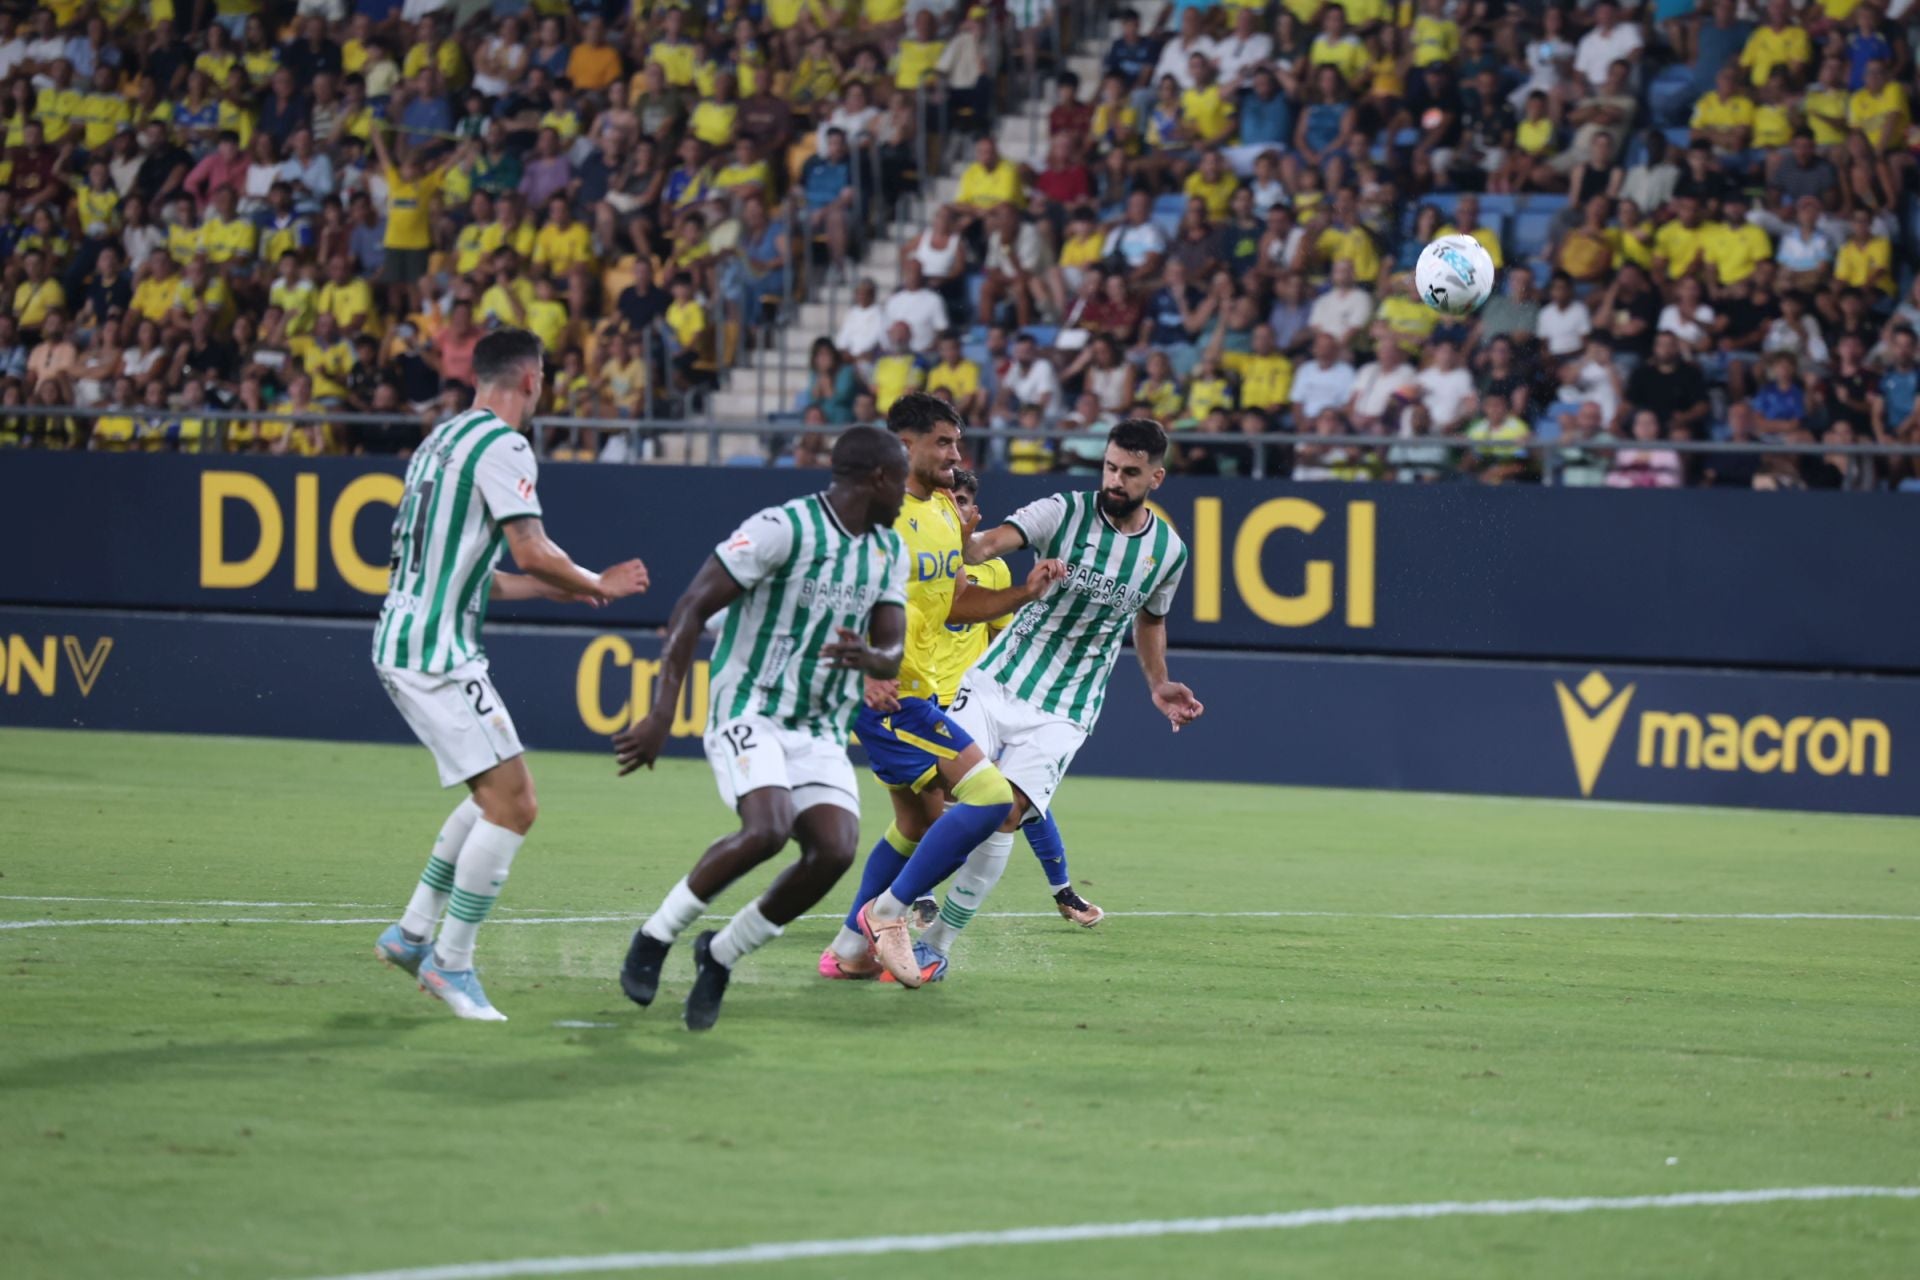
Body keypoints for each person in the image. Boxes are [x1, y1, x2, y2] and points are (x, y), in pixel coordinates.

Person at [371, 328, 650, 1022]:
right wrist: (596, 581)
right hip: (436, 652)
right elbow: (530, 548)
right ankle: (450, 963)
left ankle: (411, 934)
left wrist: (558, 590)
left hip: (405, 634)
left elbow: (480, 576)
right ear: (532, 381)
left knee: (488, 794)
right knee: (515, 803)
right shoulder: (505, 445)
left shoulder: (441, 441)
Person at [614, 427, 913, 1030]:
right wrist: (662, 710)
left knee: (834, 850)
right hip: (748, 708)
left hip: (820, 726)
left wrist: (871, 660)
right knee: (769, 828)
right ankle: (655, 936)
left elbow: (891, 648)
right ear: (879, 478)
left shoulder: (887, 550)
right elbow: (692, 608)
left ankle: (721, 956)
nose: (907, 495)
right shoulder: (783, 528)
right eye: (902, 481)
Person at [906, 419, 1204, 976]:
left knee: (1007, 814)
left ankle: (935, 945)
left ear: (1156, 478)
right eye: (1111, 467)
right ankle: (890, 910)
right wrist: (962, 535)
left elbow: (1150, 620)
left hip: (1065, 707)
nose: (1116, 480)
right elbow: (983, 547)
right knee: (941, 787)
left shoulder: (1168, 551)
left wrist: (1158, 682)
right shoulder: (1062, 511)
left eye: (1131, 473)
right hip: (998, 682)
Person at [820, 394, 1066, 986]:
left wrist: (1023, 593)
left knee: (916, 821)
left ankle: (848, 951)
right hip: (885, 693)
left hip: (920, 693)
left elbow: (958, 600)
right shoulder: (871, 512)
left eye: (957, 443)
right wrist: (870, 671)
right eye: (945, 443)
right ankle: (886, 915)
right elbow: (834, 595)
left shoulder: (942, 516)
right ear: (905, 446)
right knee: (987, 796)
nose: (957, 455)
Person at [909, 466, 1106, 940]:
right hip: (927, 695)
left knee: (1019, 795)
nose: (954, 508)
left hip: (978, 695)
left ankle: (1061, 889)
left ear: (975, 513)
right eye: (948, 499)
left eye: (962, 501)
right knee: (935, 795)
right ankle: (919, 896)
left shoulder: (994, 569)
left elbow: (1004, 637)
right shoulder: (919, 552)